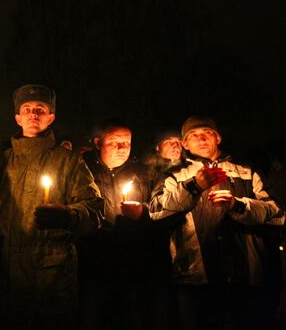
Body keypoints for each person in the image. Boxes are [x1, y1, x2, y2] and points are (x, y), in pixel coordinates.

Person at [150, 115, 284, 330]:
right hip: (196, 278)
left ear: (218, 138)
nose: (201, 139)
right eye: (193, 136)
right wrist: (194, 186)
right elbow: (156, 212)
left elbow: (278, 214)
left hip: (246, 277)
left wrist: (237, 206)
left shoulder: (247, 172)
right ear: (185, 143)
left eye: (207, 133)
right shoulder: (174, 176)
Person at [0, 84, 103, 330]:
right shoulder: (1, 162)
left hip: (53, 275)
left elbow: (94, 209)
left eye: (40, 109)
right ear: (17, 117)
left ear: (50, 118)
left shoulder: (69, 161)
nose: (33, 114)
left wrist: (68, 216)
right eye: (26, 109)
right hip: (6, 276)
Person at [79, 119, 172, 330]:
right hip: (94, 263)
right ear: (98, 143)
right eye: (114, 142)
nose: (122, 148)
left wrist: (143, 212)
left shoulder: (143, 172)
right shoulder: (83, 170)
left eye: (127, 142)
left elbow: (160, 208)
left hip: (134, 263)